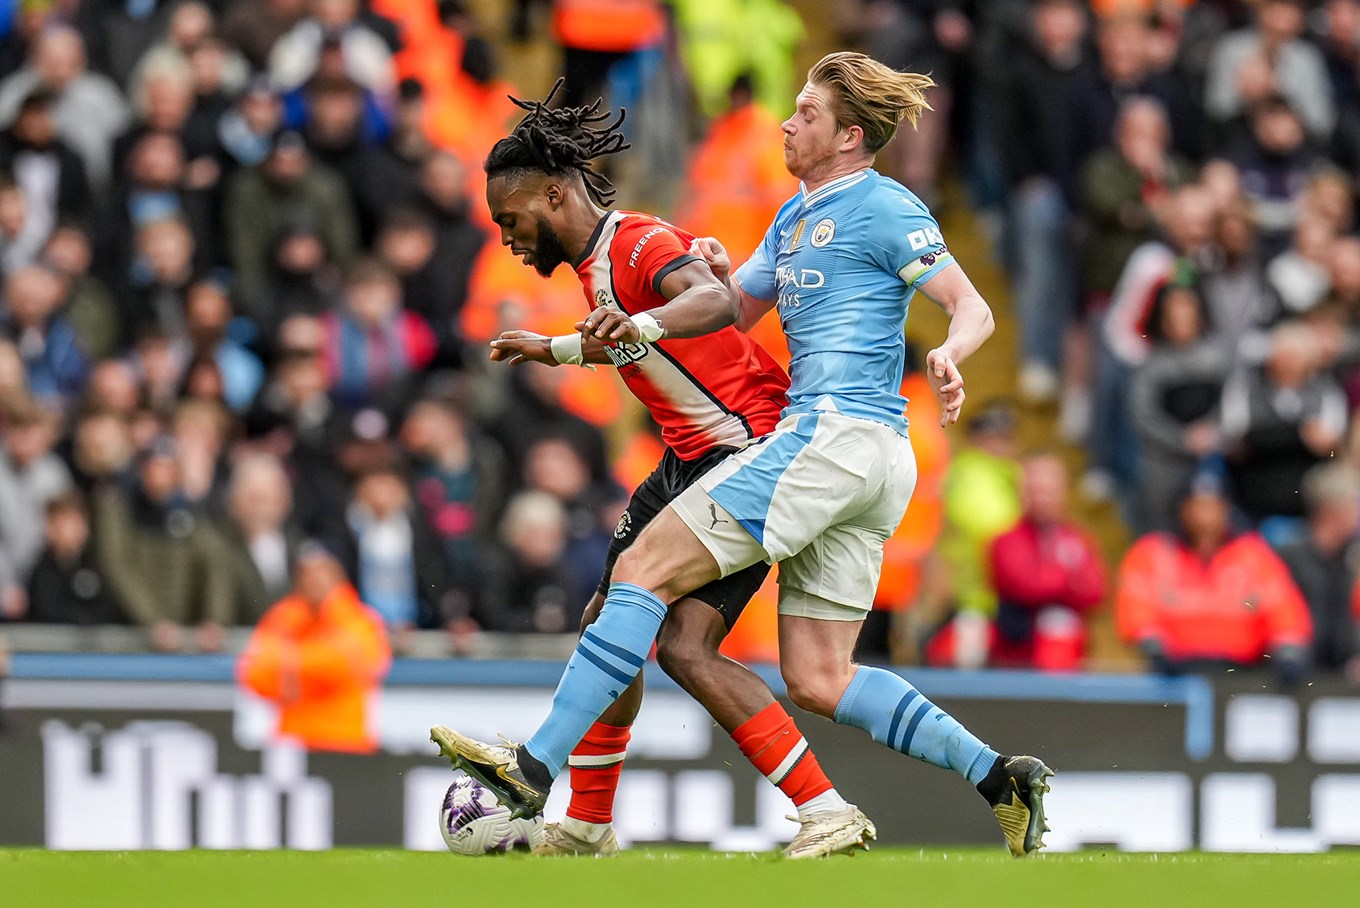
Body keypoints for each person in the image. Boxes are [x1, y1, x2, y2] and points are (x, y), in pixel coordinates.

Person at [432, 53, 1052, 860]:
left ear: (848, 136)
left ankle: (532, 771)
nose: (787, 125)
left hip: (827, 436)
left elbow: (969, 306)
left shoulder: (882, 203)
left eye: (806, 113)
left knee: (639, 578)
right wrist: (568, 344)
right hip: (852, 455)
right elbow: (731, 308)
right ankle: (1000, 778)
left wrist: (950, 354)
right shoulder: (793, 221)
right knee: (819, 677)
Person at [446, 81, 853, 860]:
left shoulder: (634, 244)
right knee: (609, 625)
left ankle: (824, 808)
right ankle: (590, 823)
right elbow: (634, 336)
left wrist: (635, 323)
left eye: (512, 219)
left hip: (746, 450)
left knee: (683, 648)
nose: (507, 238)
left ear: (557, 195)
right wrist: (558, 349)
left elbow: (711, 302)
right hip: (685, 457)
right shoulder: (597, 263)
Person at [1115, 470, 1313, 681]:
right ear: (1182, 509)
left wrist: (1288, 653)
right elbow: (1137, 607)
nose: (1205, 516)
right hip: (1174, 676)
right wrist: (1152, 648)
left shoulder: (1254, 555)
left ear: (1227, 509)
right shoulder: (1154, 553)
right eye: (1197, 505)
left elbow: (1285, 610)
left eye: (1213, 505)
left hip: (1239, 674)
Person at [237, 540, 391, 753]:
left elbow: (356, 665)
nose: (314, 580)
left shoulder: (359, 618)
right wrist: (321, 666)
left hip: (346, 742)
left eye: (323, 572)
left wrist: (291, 667)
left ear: (338, 576)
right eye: (307, 573)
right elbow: (254, 673)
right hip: (293, 744)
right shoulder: (284, 616)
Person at [988, 452, 1106, 670]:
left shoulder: (1079, 539)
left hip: (1064, 655)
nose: (1043, 498)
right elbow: (1025, 586)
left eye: (1049, 490)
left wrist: (1051, 578)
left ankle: (1056, 695)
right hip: (1014, 647)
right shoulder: (1005, 541)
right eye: (1036, 490)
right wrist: (1067, 577)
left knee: (1060, 623)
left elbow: (1094, 591)